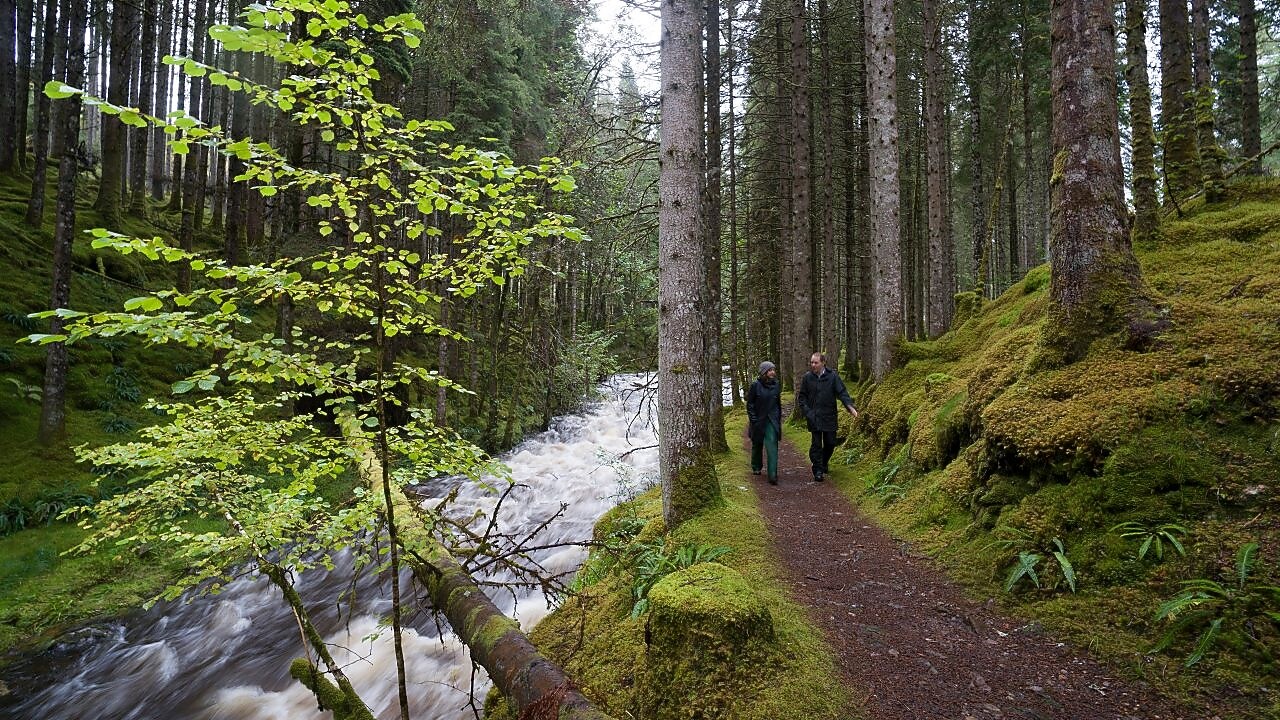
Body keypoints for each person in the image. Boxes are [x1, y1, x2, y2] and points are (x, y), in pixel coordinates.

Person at [796, 352, 858, 481]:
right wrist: (808, 412)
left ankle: (824, 462)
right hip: (814, 417)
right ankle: (817, 470)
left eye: (816, 362)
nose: (813, 365)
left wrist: (850, 408)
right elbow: (802, 397)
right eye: (812, 362)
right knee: (816, 444)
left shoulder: (833, 376)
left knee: (830, 443)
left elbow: (842, 392)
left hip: (829, 416)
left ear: (823, 363)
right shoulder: (807, 377)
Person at [746, 361, 783, 485]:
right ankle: (756, 467)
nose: (773, 372)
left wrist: (777, 417)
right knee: (757, 444)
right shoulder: (755, 386)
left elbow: (777, 403)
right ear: (764, 372)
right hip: (758, 419)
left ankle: (772, 475)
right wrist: (754, 419)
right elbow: (750, 404)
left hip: (771, 420)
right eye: (770, 370)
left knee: (772, 445)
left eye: (773, 370)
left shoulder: (776, 385)